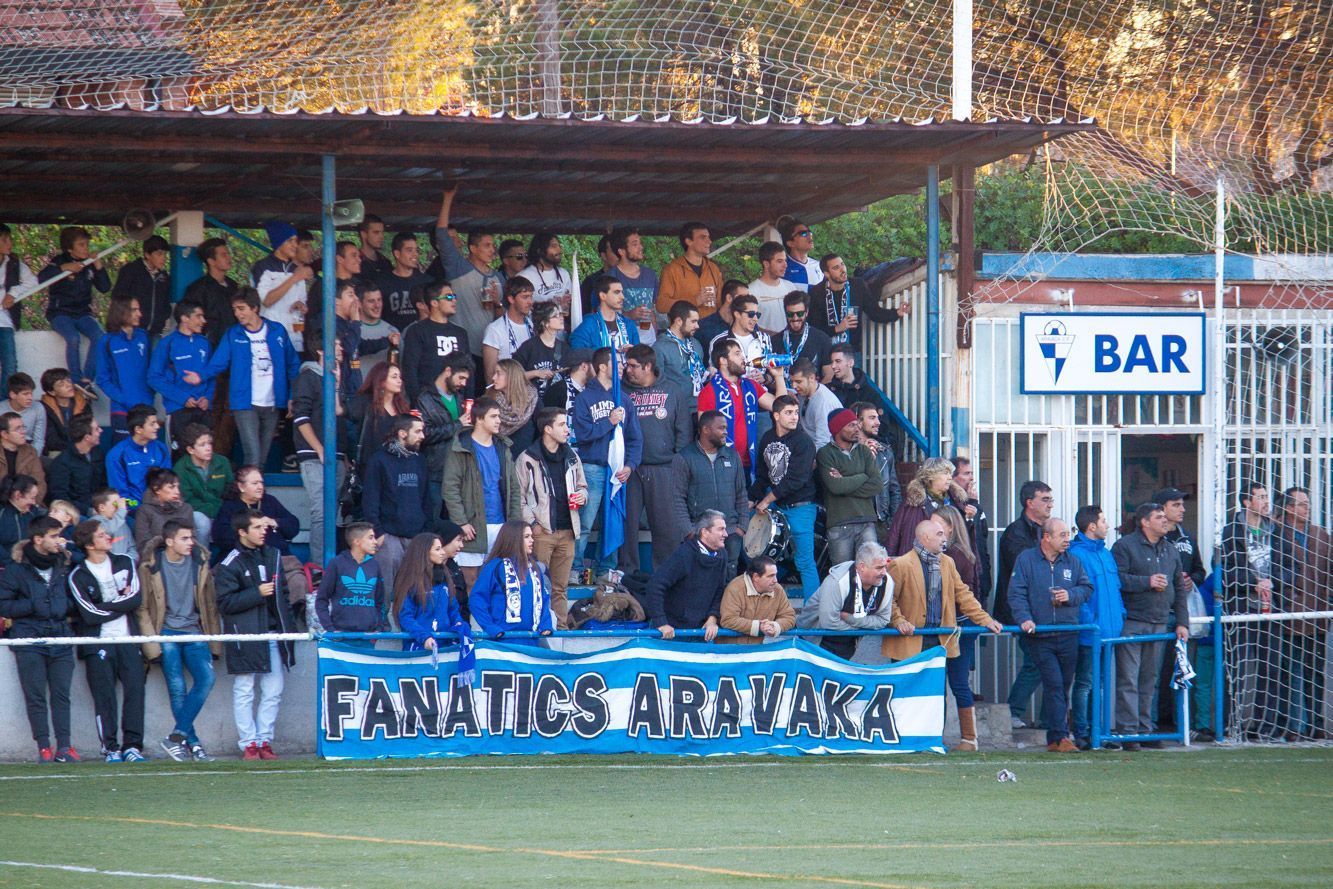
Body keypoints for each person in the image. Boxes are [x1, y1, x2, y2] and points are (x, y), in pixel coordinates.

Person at [889, 517, 1003, 751]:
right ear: (925, 538)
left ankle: (932, 740)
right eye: (940, 534)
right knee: (905, 691)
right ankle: (902, 740)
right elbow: (887, 600)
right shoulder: (900, 564)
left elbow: (964, 595)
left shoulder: (948, 563)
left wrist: (986, 619)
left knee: (935, 694)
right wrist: (899, 620)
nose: (945, 538)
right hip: (909, 640)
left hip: (939, 639)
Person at [215, 508, 297, 760]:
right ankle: (248, 744)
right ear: (242, 532)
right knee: (245, 689)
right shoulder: (229, 563)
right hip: (246, 635)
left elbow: (283, 595)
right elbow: (224, 603)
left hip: (273, 633)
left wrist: (288, 628)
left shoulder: (273, 555)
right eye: (258, 527)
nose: (265, 531)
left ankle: (264, 740)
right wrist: (256, 593)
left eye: (266, 527)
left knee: (274, 690)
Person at [1111, 502, 1193, 749]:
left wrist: (1182, 622)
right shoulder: (1124, 546)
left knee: (1150, 679)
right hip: (1133, 621)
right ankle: (1128, 732)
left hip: (1159, 622)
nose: (1164, 520)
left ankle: (1146, 729)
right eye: (1159, 517)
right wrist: (1146, 581)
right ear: (1144, 522)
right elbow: (1118, 579)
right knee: (1129, 679)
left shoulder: (1170, 550)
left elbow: (1179, 587)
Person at [137, 520, 219, 762]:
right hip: (165, 632)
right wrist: (152, 644)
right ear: (169, 541)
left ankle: (176, 737)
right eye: (185, 538)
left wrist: (214, 642)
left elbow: (210, 605)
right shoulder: (150, 565)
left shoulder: (199, 561)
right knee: (177, 688)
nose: (191, 542)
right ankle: (193, 744)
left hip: (195, 631)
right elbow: (142, 608)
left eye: (192, 538)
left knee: (207, 679)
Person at [1007, 517, 1092, 752]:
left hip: (1068, 633)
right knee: (1054, 683)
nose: (1068, 539)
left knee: (1063, 685)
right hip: (1040, 636)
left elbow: (1087, 588)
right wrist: (1024, 618)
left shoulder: (1073, 561)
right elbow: (1016, 593)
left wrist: (1070, 595)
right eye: (1063, 535)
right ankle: (1061, 736)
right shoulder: (1026, 559)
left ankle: (1055, 737)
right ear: (1046, 537)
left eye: (1069, 534)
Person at [0, 515, 79, 762]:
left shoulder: (63, 565)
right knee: (35, 696)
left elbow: (75, 597)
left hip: (61, 638)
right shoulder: (16, 570)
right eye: (54, 536)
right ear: (37, 539)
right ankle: (44, 746)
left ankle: (65, 747)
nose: (59, 541)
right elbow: (4, 605)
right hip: (29, 640)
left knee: (62, 695)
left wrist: (62, 606)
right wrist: (35, 605)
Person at [68, 519, 146, 762]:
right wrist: (116, 606)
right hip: (98, 644)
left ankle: (133, 746)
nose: (108, 537)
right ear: (90, 544)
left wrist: (103, 607)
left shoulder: (125, 562)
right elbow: (88, 615)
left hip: (128, 640)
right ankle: (110, 748)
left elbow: (134, 598)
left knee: (135, 692)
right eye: (101, 535)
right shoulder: (78, 575)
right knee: (104, 697)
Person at [202, 288, 301, 469]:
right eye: (235, 309)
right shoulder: (233, 334)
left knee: (262, 457)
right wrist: (199, 376)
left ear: (254, 308)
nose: (237, 314)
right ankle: (252, 495)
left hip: (272, 403)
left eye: (241, 308)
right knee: (253, 455)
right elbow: (218, 363)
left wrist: (292, 396)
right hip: (244, 403)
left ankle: (254, 494)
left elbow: (293, 364)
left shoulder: (277, 330)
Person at [926, 505, 995, 750]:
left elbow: (961, 595)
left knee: (956, 681)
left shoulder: (956, 556)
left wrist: (984, 618)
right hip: (950, 626)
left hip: (958, 627)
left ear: (950, 528)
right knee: (943, 681)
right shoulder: (953, 553)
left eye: (938, 526)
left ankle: (968, 738)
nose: (934, 530)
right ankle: (939, 736)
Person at [572, 348, 643, 577]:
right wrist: (609, 422)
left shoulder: (624, 399)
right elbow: (582, 435)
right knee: (584, 524)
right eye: (618, 363)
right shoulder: (584, 397)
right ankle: (574, 569)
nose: (623, 368)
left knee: (612, 523)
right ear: (603, 366)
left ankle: (606, 571)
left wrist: (630, 466)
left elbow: (635, 438)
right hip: (591, 468)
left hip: (617, 471)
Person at [622, 345, 692, 572]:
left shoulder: (672, 391)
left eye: (633, 366)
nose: (628, 370)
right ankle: (627, 576)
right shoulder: (620, 391)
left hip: (664, 468)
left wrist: (675, 464)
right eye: (627, 365)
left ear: (648, 366)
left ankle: (665, 578)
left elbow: (684, 431)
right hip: (629, 470)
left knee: (666, 530)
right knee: (627, 527)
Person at [517, 407, 588, 628]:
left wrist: (582, 496)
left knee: (560, 587)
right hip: (542, 534)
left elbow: (583, 487)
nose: (567, 430)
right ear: (547, 429)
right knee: (537, 584)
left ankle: (561, 629)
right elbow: (517, 498)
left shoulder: (572, 456)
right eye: (562, 425)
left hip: (568, 532)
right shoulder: (527, 458)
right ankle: (539, 627)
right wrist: (533, 525)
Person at [1220, 482, 1279, 740]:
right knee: (1238, 669)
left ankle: (1265, 726)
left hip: (1272, 609)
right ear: (1246, 502)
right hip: (1242, 609)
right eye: (1260, 497)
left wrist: (1272, 582)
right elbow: (1227, 571)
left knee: (1271, 668)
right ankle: (1231, 723)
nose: (1266, 502)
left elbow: (1287, 565)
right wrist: (1252, 583)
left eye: (1267, 497)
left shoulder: (1276, 531)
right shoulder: (1231, 531)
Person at [443, 397, 522, 586]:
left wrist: (515, 524)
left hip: (502, 524)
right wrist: (461, 521)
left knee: (501, 580)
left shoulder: (503, 447)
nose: (498, 421)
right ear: (479, 418)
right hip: (473, 525)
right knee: (472, 581)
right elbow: (450, 488)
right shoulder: (460, 447)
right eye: (493, 416)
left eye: (499, 416)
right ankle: (473, 618)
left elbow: (514, 487)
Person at [1274, 486, 1331, 740]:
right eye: (1300, 504)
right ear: (1287, 508)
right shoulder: (1277, 534)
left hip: (1318, 615)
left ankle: (1317, 724)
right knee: (1288, 671)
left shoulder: (1321, 535)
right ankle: (1291, 725)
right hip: (1288, 615)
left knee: (1315, 671)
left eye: (1307, 503)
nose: (1306, 508)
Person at [997, 479, 1054, 729]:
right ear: (1029, 503)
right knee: (1036, 662)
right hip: (1024, 612)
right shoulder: (1015, 532)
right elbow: (1026, 571)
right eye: (1045, 499)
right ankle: (1014, 711)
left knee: (1048, 664)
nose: (1050, 504)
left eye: (1051, 499)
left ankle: (1047, 719)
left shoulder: (1050, 530)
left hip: (1049, 612)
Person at [362, 414, 439, 601]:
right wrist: (378, 532)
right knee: (386, 591)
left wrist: (427, 534)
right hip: (389, 538)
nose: (423, 436)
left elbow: (426, 500)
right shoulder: (379, 460)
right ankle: (383, 628)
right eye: (418, 431)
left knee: (416, 592)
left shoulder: (419, 460)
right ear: (402, 433)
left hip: (417, 538)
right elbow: (370, 499)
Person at [749, 394, 819, 600]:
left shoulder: (804, 441)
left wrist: (766, 500)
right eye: (789, 413)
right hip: (777, 509)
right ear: (776, 415)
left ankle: (812, 618)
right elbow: (763, 475)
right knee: (765, 560)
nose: (794, 417)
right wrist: (752, 498)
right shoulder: (768, 438)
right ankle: (765, 608)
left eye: (796, 412)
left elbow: (796, 479)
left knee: (805, 561)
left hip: (801, 507)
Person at [211, 467, 308, 614]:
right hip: (245, 564)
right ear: (241, 486)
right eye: (255, 483)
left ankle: (291, 622)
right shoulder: (230, 506)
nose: (260, 487)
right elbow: (220, 535)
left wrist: (274, 522)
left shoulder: (270, 502)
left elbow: (293, 526)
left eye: (261, 483)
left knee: (297, 581)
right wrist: (247, 535)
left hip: (278, 562)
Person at [1069, 505, 1125, 749]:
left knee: (1101, 684)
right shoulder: (1077, 555)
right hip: (1090, 632)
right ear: (1091, 526)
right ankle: (1082, 733)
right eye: (1103, 521)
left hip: (1110, 632)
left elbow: (1116, 590)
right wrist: (1088, 622)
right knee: (1085, 684)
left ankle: (1099, 733)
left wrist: (1120, 616)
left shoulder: (1105, 553)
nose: (1108, 525)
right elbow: (1080, 594)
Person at [670, 411, 747, 579]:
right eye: (721, 428)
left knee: (729, 584)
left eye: (726, 428)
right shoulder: (684, 457)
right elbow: (677, 499)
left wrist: (741, 527)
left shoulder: (732, 456)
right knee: (701, 581)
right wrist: (689, 531)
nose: (726, 432)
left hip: (730, 532)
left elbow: (741, 493)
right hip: (700, 534)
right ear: (705, 429)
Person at [697, 338, 786, 477]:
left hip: (748, 464)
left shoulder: (750, 385)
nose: (743, 358)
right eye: (737, 354)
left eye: (742, 354)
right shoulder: (709, 391)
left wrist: (779, 377)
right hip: (721, 465)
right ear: (723, 361)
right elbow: (704, 432)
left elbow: (781, 407)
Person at [291, 338, 346, 564]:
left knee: (332, 515)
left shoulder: (336, 378)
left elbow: (340, 413)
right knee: (321, 514)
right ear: (321, 349)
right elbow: (300, 417)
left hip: (338, 456)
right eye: (336, 344)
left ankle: (329, 568)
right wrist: (320, 448)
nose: (341, 349)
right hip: (314, 456)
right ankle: (317, 571)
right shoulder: (308, 376)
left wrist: (337, 384)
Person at [435, 188, 504, 361]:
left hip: (490, 349)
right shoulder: (458, 267)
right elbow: (442, 235)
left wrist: (498, 304)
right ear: (473, 248)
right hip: (461, 349)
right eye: (487, 245)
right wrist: (448, 198)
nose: (492, 250)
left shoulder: (498, 277)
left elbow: (504, 318)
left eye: (493, 245)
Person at [39, 226, 110, 386]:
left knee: (100, 336)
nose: (86, 249)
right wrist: (63, 268)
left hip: (83, 313)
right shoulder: (58, 261)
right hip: (60, 313)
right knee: (73, 338)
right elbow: (42, 278)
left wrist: (98, 266)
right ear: (69, 248)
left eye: (87, 244)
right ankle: (76, 380)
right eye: (81, 245)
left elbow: (105, 287)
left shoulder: (89, 264)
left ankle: (87, 379)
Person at [802, 541, 894, 660]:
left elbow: (883, 620)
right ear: (862, 567)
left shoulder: (888, 583)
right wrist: (864, 626)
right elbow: (828, 623)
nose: (884, 572)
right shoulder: (837, 581)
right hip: (814, 642)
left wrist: (852, 620)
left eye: (885, 567)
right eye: (879, 568)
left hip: (848, 643)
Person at [809, 253, 910, 359]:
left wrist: (897, 313)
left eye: (842, 264)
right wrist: (837, 328)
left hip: (851, 352)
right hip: (826, 352)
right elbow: (814, 328)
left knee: (855, 375)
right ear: (827, 274)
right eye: (836, 268)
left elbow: (874, 312)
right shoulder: (817, 293)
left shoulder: (857, 285)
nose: (842, 270)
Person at [646, 511, 728, 642]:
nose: (726, 534)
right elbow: (655, 586)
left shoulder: (722, 555)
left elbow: (719, 590)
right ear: (705, 532)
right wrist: (661, 622)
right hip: (672, 632)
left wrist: (712, 619)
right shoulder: (684, 554)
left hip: (699, 632)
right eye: (721, 529)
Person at [817, 407, 883, 565]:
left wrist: (845, 480)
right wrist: (863, 476)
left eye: (857, 424)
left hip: (867, 521)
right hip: (839, 524)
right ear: (837, 429)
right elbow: (836, 487)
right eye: (851, 425)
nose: (857, 429)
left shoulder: (864, 452)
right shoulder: (825, 454)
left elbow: (877, 485)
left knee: (871, 568)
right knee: (842, 574)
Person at [469, 520, 556, 641]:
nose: (532, 540)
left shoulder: (534, 568)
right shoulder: (495, 566)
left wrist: (545, 624)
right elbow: (477, 599)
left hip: (531, 640)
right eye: (526, 537)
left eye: (531, 536)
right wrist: (491, 628)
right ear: (513, 539)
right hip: (503, 643)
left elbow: (543, 598)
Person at [148, 301, 213, 452]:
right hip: (178, 410)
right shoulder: (167, 343)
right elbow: (154, 377)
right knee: (180, 456)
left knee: (205, 455)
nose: (203, 321)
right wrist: (181, 398)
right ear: (184, 318)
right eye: (199, 316)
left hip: (203, 410)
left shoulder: (205, 343)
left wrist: (208, 398)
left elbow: (211, 375)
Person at [395, 525, 472, 651]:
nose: (442, 552)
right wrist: (424, 637)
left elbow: (453, 610)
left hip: (446, 647)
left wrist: (459, 624)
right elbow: (405, 616)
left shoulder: (446, 577)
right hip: (418, 648)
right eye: (437, 549)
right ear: (424, 552)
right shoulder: (410, 581)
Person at [314, 522, 386, 644]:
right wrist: (330, 629)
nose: (375, 541)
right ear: (357, 542)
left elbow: (380, 602)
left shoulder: (375, 565)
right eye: (370, 537)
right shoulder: (336, 563)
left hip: (367, 638)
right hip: (341, 637)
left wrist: (378, 629)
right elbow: (321, 599)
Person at [400, 281, 470, 403]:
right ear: (434, 302)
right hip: (427, 401)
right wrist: (417, 402)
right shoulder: (416, 331)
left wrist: (468, 400)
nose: (454, 300)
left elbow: (469, 369)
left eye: (454, 296)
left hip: (457, 401)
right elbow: (410, 370)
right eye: (448, 297)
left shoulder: (461, 333)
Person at [883, 457, 967, 557]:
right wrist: (888, 560)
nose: (949, 477)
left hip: (949, 563)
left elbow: (966, 539)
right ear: (930, 476)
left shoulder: (956, 501)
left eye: (950, 473)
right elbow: (894, 534)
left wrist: (969, 518)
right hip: (917, 563)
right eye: (945, 473)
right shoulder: (912, 503)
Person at [95, 297, 152, 441]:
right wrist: (124, 398)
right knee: (123, 453)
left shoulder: (144, 337)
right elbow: (102, 378)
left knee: (147, 454)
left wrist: (149, 396)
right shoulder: (107, 341)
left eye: (139, 310)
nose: (139, 314)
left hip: (146, 407)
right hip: (122, 409)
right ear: (121, 312)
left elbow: (152, 371)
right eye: (134, 310)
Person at [251, 221, 312, 355]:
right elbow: (266, 300)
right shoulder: (263, 266)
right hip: (270, 339)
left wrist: (300, 305)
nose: (295, 246)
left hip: (294, 339)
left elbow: (302, 302)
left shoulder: (296, 269)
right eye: (290, 241)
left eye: (296, 241)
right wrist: (294, 278)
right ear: (279, 243)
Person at [416, 352, 471, 496]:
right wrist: (458, 424)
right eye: (461, 378)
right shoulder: (425, 398)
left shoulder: (458, 396)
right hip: (436, 469)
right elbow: (424, 434)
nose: (464, 384)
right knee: (433, 514)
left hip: (459, 468)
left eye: (466, 379)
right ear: (448, 371)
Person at [174, 424, 232, 548]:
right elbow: (187, 500)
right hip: (196, 512)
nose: (208, 448)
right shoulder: (180, 468)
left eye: (209, 443)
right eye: (202, 445)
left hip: (222, 510)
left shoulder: (222, 462)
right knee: (202, 522)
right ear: (190, 450)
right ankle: (203, 562)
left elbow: (231, 489)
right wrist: (213, 510)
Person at [718, 555, 796, 645]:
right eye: (770, 576)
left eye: (775, 575)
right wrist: (758, 627)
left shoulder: (778, 589)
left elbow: (789, 616)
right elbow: (728, 620)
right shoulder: (735, 588)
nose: (775, 580)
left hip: (756, 651)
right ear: (756, 577)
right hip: (729, 650)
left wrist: (775, 626)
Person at [105, 405, 169, 511]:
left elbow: (167, 482)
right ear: (138, 429)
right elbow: (121, 497)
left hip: (162, 507)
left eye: (156, 422)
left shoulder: (161, 448)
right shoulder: (116, 455)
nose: (157, 426)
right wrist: (139, 507)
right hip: (133, 511)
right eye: (152, 424)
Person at [852, 403, 903, 531]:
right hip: (855, 520)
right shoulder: (846, 451)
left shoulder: (884, 451)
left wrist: (892, 523)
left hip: (880, 521)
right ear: (858, 421)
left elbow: (894, 489)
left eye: (877, 418)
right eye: (872, 418)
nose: (878, 422)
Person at [657, 222, 724, 318]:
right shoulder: (672, 269)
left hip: (710, 330)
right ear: (689, 241)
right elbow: (661, 305)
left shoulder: (713, 268)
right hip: (684, 330)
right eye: (703, 237)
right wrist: (694, 301)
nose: (709, 241)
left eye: (708, 237)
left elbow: (720, 303)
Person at [111, 235, 171, 340]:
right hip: (133, 330)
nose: (163, 258)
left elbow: (166, 300)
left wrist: (163, 317)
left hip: (156, 330)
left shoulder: (164, 276)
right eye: (159, 254)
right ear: (147, 254)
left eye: (165, 254)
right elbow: (118, 298)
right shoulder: (130, 271)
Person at [607, 227, 660, 344]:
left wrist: (655, 336)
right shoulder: (610, 278)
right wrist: (629, 315)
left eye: (640, 243)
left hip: (649, 339)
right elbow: (601, 313)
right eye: (635, 244)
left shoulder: (650, 275)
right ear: (621, 251)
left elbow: (652, 310)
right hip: (622, 340)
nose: (641, 247)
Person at [653, 300, 708, 413]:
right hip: (676, 410)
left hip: (700, 406)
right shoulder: (659, 347)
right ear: (678, 321)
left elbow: (700, 375)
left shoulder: (696, 344)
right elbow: (656, 383)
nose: (697, 326)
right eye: (693, 321)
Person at [0, 222, 38, 384]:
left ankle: (3, 404)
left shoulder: (15, 264)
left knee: (10, 366)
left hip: (5, 322)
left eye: (10, 240)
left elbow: (33, 282)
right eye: (5, 240)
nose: (10, 244)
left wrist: (13, 293)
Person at [356, 361, 410, 471]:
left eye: (399, 377)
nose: (399, 380)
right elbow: (340, 411)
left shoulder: (403, 406)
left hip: (397, 466)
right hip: (370, 467)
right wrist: (336, 385)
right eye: (394, 377)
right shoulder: (365, 402)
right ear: (381, 380)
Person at [951, 456, 991, 603]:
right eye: (966, 474)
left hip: (980, 576)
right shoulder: (950, 505)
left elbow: (982, 538)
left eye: (972, 473)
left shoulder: (975, 505)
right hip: (963, 576)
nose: (972, 478)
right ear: (953, 478)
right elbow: (964, 535)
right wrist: (972, 503)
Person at [482, 277, 535, 385]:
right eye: (525, 297)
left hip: (529, 391)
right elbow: (490, 374)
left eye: (531, 296)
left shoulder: (532, 325)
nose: (530, 302)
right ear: (511, 299)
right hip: (505, 394)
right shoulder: (495, 329)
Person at [377, 232, 433, 333]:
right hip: (393, 339)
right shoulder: (382, 283)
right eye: (409, 250)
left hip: (423, 337)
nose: (415, 254)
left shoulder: (428, 282)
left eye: (416, 250)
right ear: (397, 254)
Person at [133, 468, 200, 552]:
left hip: (184, 556)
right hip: (156, 558)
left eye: (177, 487)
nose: (177, 492)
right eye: (171, 487)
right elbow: (143, 545)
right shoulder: (144, 511)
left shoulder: (186, 509)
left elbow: (192, 540)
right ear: (156, 489)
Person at [48, 415, 104, 515]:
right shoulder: (62, 463)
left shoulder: (97, 454)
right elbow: (60, 497)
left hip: (101, 508)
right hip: (77, 514)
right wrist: (87, 511)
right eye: (96, 429)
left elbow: (104, 485)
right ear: (87, 437)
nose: (101, 430)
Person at [570, 276, 640, 353]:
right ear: (603, 296)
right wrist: (612, 354)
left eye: (622, 292)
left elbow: (639, 357)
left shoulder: (628, 324)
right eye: (616, 292)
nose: (622, 297)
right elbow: (576, 352)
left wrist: (633, 352)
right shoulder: (590, 324)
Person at [513, 301, 565, 403]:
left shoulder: (564, 348)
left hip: (555, 405)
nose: (561, 318)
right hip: (530, 403)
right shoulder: (528, 347)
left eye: (561, 314)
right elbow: (512, 375)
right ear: (545, 323)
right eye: (556, 316)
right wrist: (536, 373)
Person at [486, 358, 538, 456]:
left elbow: (540, 431)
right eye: (494, 373)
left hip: (523, 461)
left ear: (511, 376)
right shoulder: (488, 400)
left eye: (498, 373)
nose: (493, 377)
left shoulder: (532, 400)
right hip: (497, 457)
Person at [773, 291, 832, 375]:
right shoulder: (775, 341)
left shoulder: (822, 339)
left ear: (806, 312)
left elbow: (828, 376)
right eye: (790, 314)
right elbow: (770, 375)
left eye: (799, 313)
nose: (795, 318)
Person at [39, 368, 93, 459]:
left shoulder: (83, 403)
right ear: (51, 392)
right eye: (61, 384)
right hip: (58, 450)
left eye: (68, 381)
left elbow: (89, 431)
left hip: (82, 448)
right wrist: (75, 447)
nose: (68, 385)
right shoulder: (44, 408)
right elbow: (51, 440)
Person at [706, 292, 771, 366]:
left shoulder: (765, 338)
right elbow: (714, 372)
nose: (755, 319)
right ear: (737, 314)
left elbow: (770, 369)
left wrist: (765, 377)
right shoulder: (719, 341)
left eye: (757, 314)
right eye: (751, 314)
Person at [790, 358, 841, 449]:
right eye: (792, 382)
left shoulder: (824, 402)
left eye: (798, 382)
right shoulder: (804, 392)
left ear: (812, 378)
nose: (794, 386)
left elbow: (824, 442)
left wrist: (809, 461)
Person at [516, 231, 574, 309]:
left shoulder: (564, 274)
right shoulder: (524, 277)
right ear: (540, 251)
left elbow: (569, 306)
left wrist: (566, 304)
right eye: (553, 246)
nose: (559, 250)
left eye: (559, 246)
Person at [356, 282, 400, 381]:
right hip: (358, 390)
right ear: (359, 303)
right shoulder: (352, 330)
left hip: (384, 392)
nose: (377, 305)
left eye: (379, 300)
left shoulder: (392, 331)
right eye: (371, 301)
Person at [0, 410, 46, 501]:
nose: (23, 432)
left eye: (23, 427)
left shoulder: (30, 451)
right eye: (18, 429)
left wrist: (30, 502)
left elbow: (40, 483)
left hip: (27, 503)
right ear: (4, 434)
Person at [0, 474, 44, 566]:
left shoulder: (35, 512)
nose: (34, 502)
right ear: (18, 495)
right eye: (32, 498)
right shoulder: (2, 514)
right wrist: (11, 565)